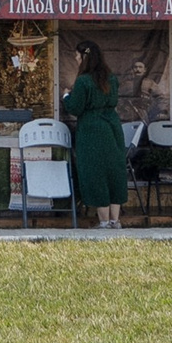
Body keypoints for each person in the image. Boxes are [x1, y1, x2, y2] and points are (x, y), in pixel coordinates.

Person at [61, 39, 129, 228]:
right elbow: (113, 99)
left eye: (77, 56)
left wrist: (66, 96)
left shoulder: (83, 81)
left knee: (95, 172)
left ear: (84, 57)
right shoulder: (112, 78)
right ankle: (116, 221)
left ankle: (104, 221)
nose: (76, 59)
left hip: (91, 129)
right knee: (114, 171)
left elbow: (75, 107)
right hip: (112, 127)